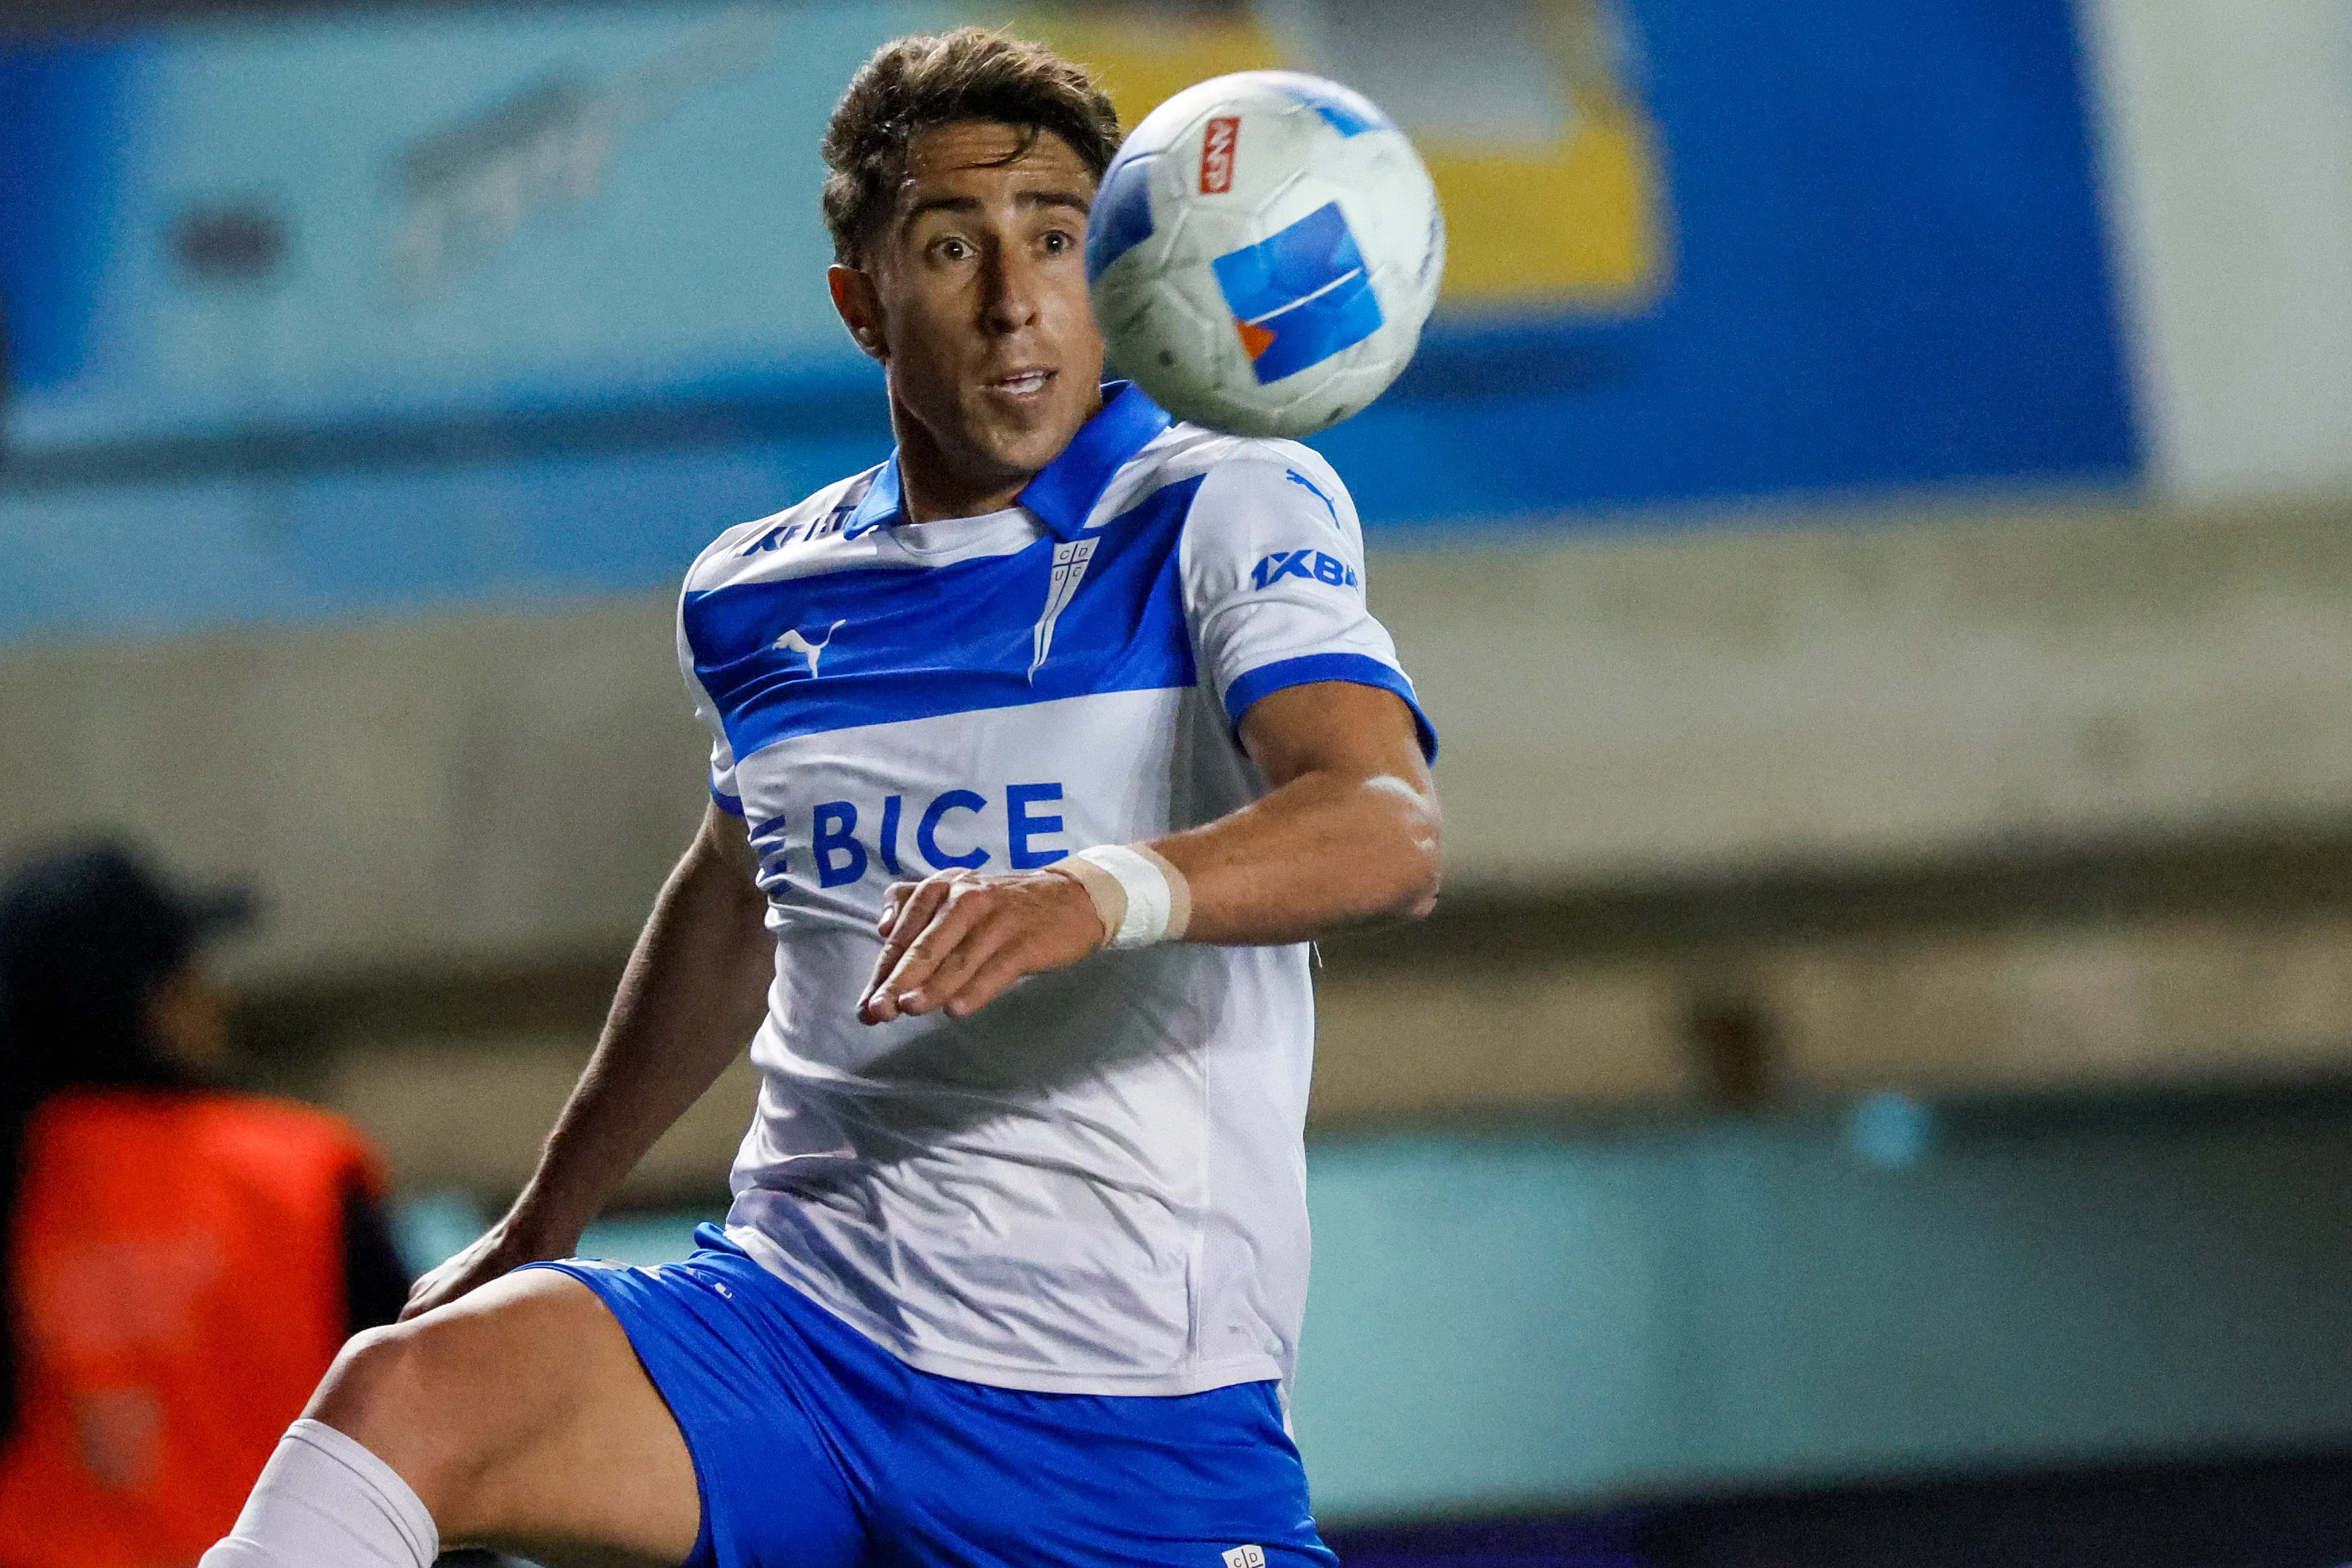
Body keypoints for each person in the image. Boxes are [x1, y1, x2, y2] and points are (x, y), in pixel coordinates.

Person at [203, 27, 1442, 1568]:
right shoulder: (756, 592)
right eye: (948, 245)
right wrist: (542, 1224)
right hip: (795, 1329)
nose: (1012, 300)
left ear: (1115, 271)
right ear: (864, 300)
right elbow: (733, 894)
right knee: (408, 1390)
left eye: (1055, 238)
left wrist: (1093, 890)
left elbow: (1382, 827)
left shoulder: (1219, 501)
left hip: (1120, 1425)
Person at [0, 843, 409, 1567]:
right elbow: (425, 1427)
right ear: (151, 1001)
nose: (217, 999)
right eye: (192, 973)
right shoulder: (298, 1176)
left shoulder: (20, 1184)